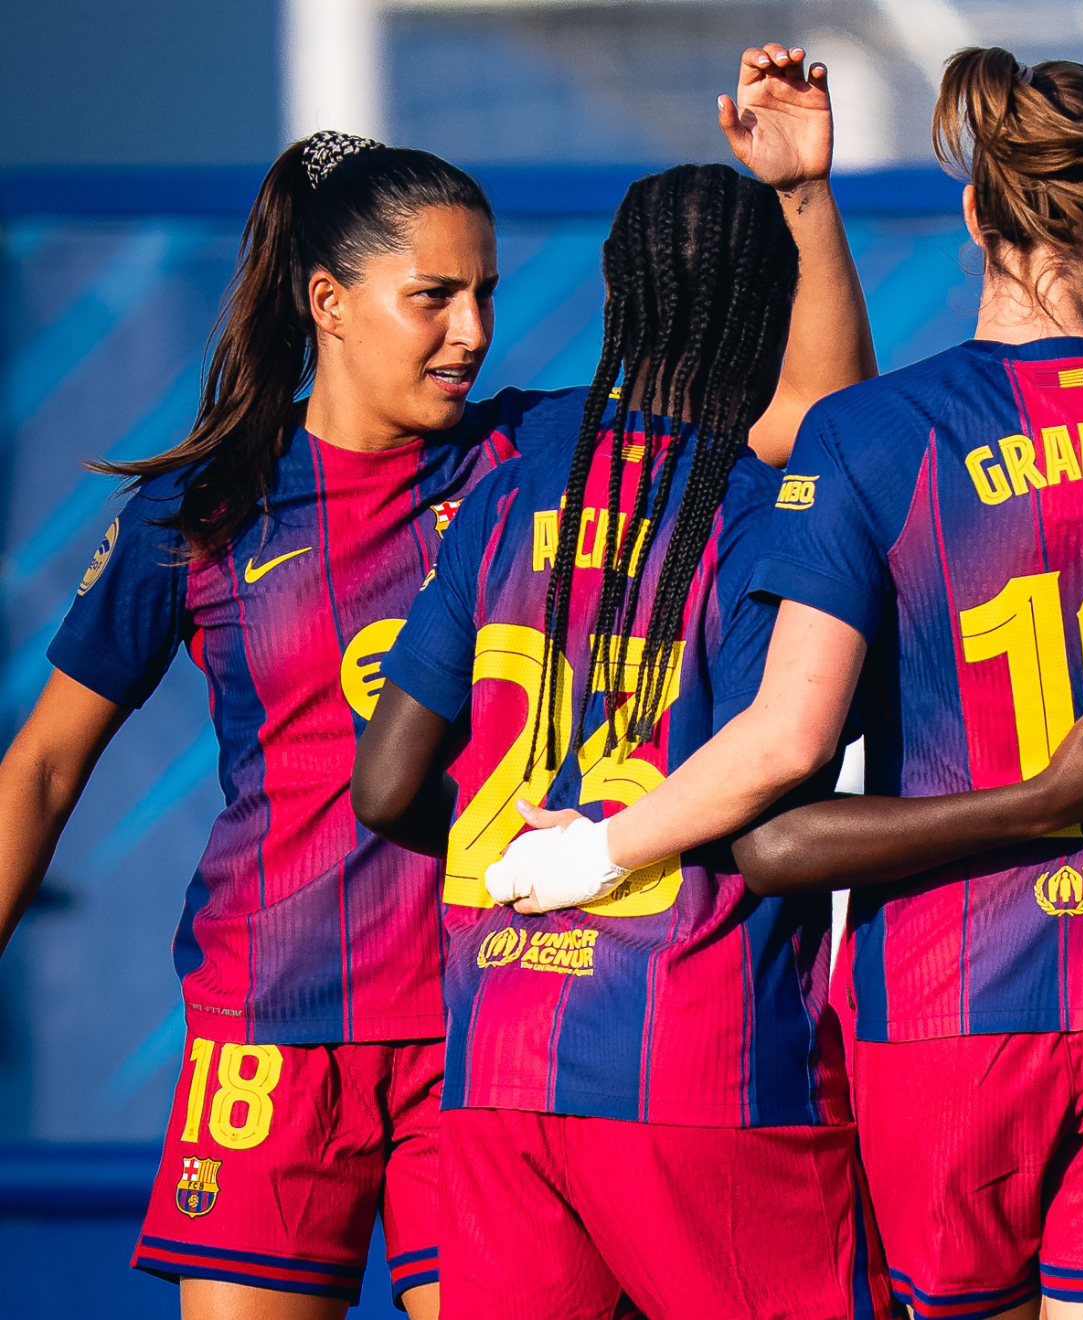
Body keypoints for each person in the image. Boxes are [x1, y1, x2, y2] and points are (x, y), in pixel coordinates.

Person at [475, 45, 1083, 1320]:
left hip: (939, 1013)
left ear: (974, 213)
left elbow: (783, 742)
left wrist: (594, 855)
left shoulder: (875, 434)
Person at [0, 42, 868, 1320]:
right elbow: (45, 765)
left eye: (488, 296)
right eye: (434, 297)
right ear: (329, 301)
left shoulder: (535, 447)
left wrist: (801, 194)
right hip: (269, 1024)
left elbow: (813, 405)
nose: (473, 332)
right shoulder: (201, 511)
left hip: (479, 1025)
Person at [352, 145, 893, 1314]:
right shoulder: (760, 518)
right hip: (704, 1059)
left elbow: (386, 787)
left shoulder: (504, 495)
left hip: (500, 1055)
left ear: (616, 297)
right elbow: (773, 813)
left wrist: (525, 853)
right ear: (768, 317)